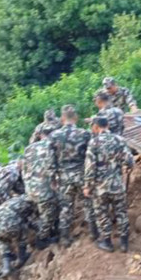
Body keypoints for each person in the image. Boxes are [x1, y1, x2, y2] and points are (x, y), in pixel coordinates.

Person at [83, 116, 134, 253]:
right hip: (117, 184)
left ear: (96, 127)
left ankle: (107, 242)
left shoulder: (94, 143)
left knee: (102, 213)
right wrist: (125, 168)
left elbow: (90, 167)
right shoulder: (119, 140)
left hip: (100, 187)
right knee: (121, 212)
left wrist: (87, 185)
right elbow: (129, 160)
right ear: (108, 126)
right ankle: (124, 243)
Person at [50, 105, 91, 246]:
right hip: (81, 174)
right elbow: (90, 156)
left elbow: (51, 159)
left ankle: (65, 237)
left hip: (64, 176)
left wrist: (53, 177)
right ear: (76, 118)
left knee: (66, 207)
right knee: (87, 203)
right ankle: (93, 233)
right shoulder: (85, 134)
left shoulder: (54, 136)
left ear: (62, 119)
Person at [22, 128, 58, 248]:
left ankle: (43, 230)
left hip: (30, 188)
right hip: (44, 188)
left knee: (39, 211)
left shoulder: (29, 148)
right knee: (48, 214)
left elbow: (24, 169)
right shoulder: (50, 146)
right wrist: (55, 183)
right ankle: (42, 239)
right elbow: (51, 167)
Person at [0, 195, 37, 276]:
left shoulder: (12, 201)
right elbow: (30, 220)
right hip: (7, 223)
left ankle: (6, 267)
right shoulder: (28, 202)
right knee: (22, 233)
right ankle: (21, 258)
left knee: (2, 241)